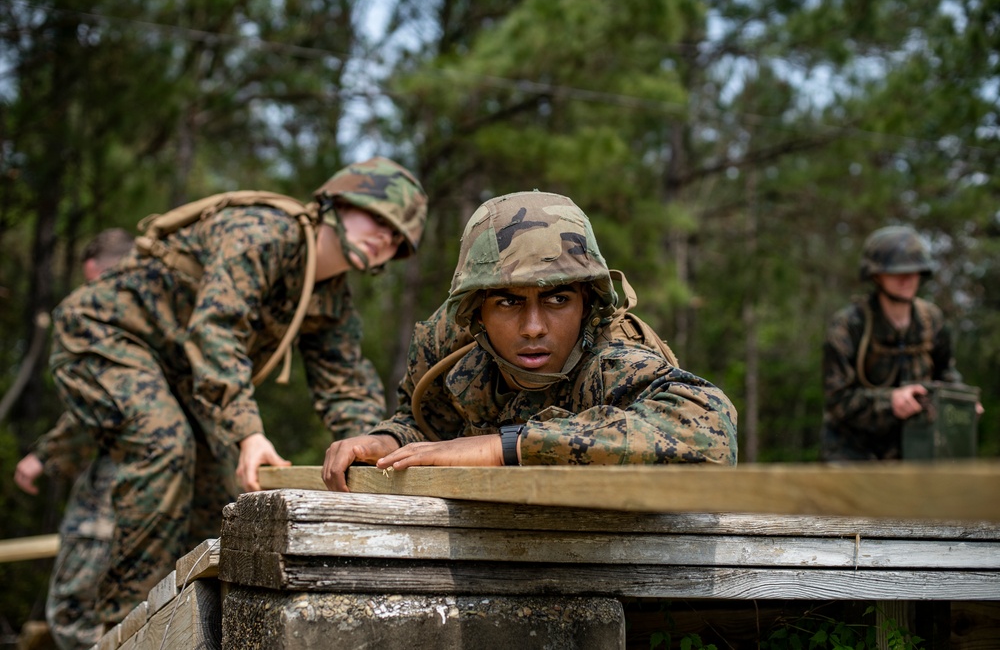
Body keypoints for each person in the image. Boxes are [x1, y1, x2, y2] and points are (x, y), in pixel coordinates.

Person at [47, 157, 427, 632]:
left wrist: (370, 448)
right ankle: (118, 630)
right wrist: (248, 431)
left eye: (397, 239)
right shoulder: (262, 232)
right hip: (105, 333)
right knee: (164, 446)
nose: (384, 240)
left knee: (228, 497)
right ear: (338, 202)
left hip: (179, 373)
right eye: (379, 219)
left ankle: (185, 628)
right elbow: (216, 331)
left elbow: (345, 383)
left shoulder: (330, 299)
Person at [322, 190, 737, 491]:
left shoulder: (612, 356)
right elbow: (427, 423)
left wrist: (506, 447)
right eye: (508, 301)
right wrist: (387, 441)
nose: (534, 327)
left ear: (588, 303)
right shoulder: (447, 344)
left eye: (558, 298)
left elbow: (711, 437)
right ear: (476, 311)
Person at [13, 228, 133, 650]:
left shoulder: (100, 313)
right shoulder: (159, 314)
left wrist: (44, 455)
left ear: (90, 269)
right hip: (173, 497)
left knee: (76, 614)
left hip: (117, 488)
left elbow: (99, 407)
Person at [821, 224, 981, 461]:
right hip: (853, 453)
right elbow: (837, 401)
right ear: (876, 275)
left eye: (914, 270)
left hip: (917, 448)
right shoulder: (850, 325)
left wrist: (961, 404)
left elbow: (946, 374)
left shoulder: (932, 321)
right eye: (897, 271)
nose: (907, 278)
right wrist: (891, 401)